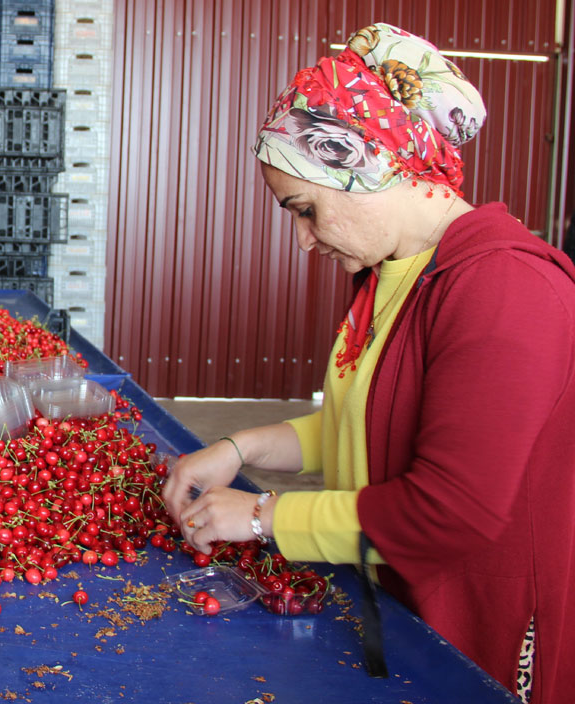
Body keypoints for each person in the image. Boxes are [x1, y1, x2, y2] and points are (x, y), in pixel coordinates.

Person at [163, 23, 574, 704]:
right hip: (403, 610)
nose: (303, 241)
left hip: (479, 641)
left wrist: (265, 516)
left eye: (306, 210)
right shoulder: (396, 274)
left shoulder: (506, 289)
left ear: (366, 163)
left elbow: (451, 513)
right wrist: (239, 447)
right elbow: (371, 427)